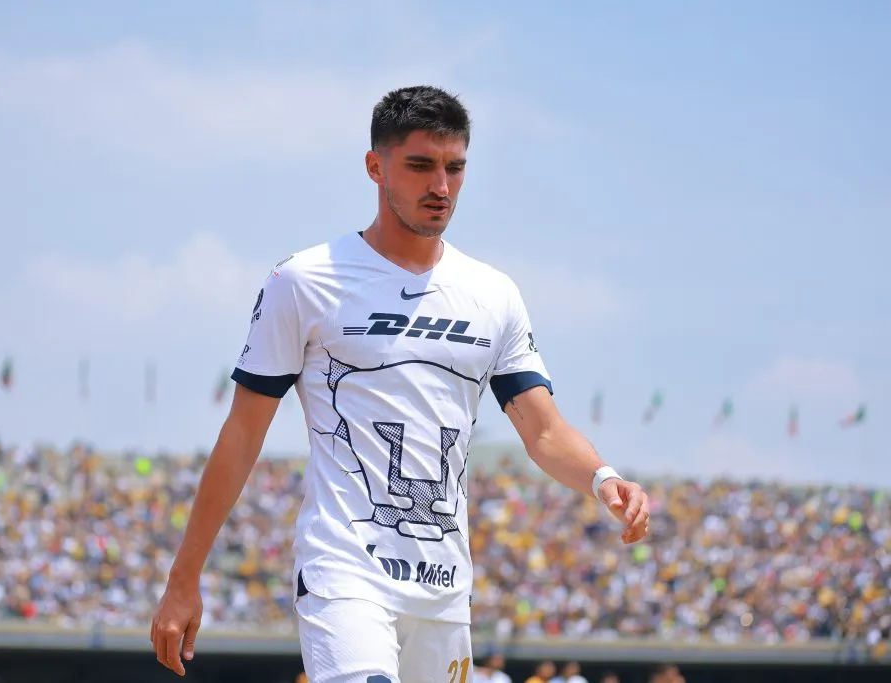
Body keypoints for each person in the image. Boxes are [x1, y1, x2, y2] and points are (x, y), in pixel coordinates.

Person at [149, 85, 652, 682]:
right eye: (420, 166)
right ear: (375, 166)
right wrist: (185, 576)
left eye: (454, 168)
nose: (440, 186)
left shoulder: (493, 294)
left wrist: (604, 478)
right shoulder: (304, 280)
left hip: (443, 588)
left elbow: (542, 430)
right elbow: (242, 434)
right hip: (345, 573)